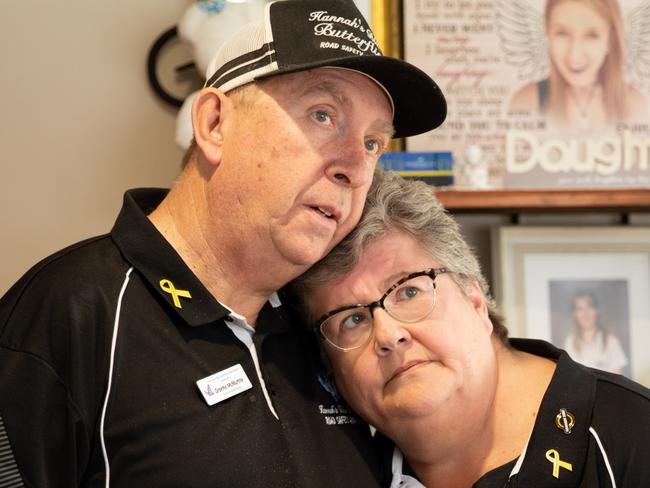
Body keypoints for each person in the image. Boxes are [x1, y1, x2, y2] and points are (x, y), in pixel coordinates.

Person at [0, 1, 447, 486]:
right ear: (215, 123)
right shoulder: (70, 314)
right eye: (323, 115)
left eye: (373, 144)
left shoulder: (339, 323)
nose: (356, 169)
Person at [287, 170, 650, 487]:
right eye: (352, 319)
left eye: (408, 290)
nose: (387, 335)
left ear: (474, 298)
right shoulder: (341, 473)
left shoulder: (632, 437)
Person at [509, 0, 647, 131]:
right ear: (548, 36)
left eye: (591, 35)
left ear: (610, 41)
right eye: (562, 34)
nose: (574, 55)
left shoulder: (634, 106)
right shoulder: (526, 102)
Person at [562, 290, 628, 374]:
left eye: (589, 307)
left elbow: (618, 379)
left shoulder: (611, 341)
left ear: (597, 311)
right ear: (574, 314)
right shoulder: (570, 342)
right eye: (580, 309)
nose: (585, 313)